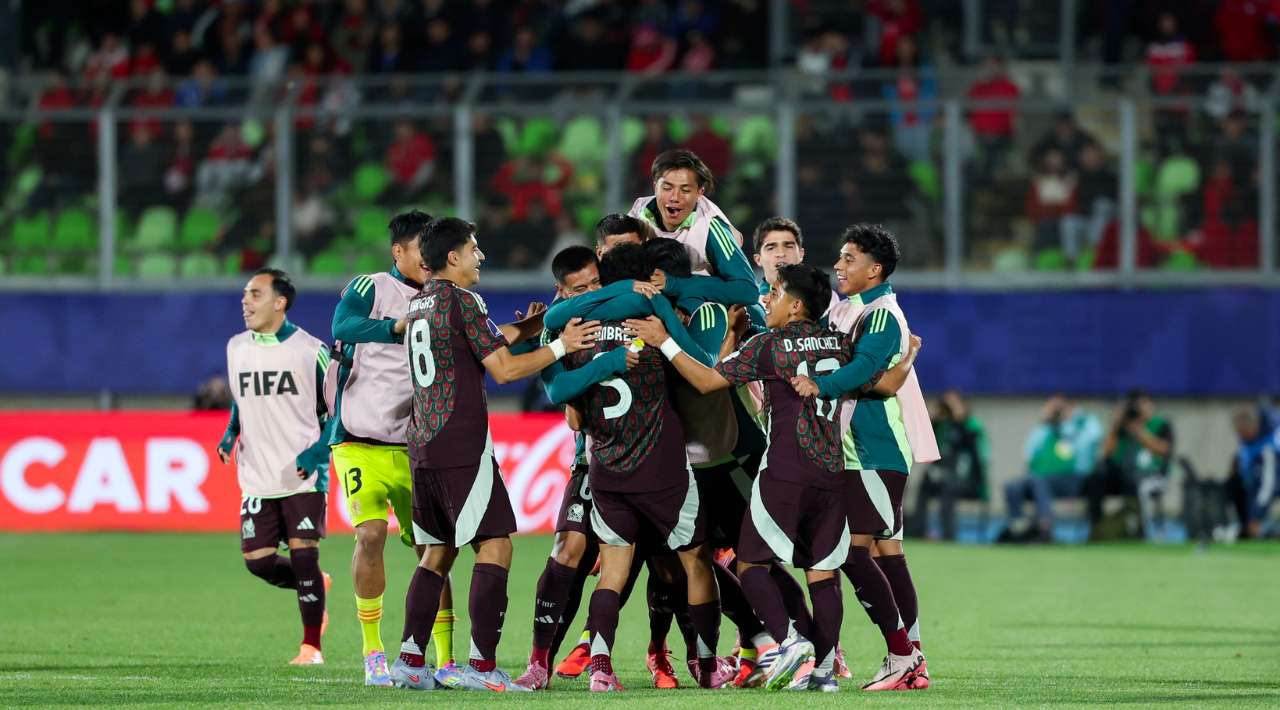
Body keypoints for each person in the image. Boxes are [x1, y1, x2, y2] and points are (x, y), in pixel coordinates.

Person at [630, 263, 863, 692]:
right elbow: (877, 381)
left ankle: (790, 643)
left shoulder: (770, 346)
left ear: (795, 306)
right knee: (823, 575)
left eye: (774, 293)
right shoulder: (844, 344)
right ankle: (825, 674)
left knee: (751, 564)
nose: (767, 300)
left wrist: (663, 340)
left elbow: (705, 381)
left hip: (785, 474)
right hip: (832, 475)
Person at [389, 217, 598, 692]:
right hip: (461, 444)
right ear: (453, 258)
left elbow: (479, 339)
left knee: (437, 553)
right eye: (474, 248)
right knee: (497, 545)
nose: (480, 256)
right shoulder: (464, 300)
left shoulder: (420, 304)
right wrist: (561, 345)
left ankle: (408, 660)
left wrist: (529, 326)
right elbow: (502, 371)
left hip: (422, 442)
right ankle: (483, 669)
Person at [553, 243, 731, 692]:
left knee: (612, 571)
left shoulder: (581, 327)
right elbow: (700, 365)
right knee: (695, 564)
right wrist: (665, 331)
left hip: (608, 467)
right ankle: (708, 666)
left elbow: (570, 407)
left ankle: (600, 667)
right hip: (663, 469)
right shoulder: (652, 312)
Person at [790, 225, 930, 690]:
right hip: (853, 452)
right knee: (877, 552)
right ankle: (909, 657)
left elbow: (866, 371)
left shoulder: (883, 315)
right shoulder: (852, 308)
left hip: (872, 450)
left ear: (876, 270)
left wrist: (820, 383)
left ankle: (902, 655)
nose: (840, 265)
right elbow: (880, 377)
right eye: (840, 256)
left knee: (852, 551)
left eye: (850, 259)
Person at [328, 210, 455, 687]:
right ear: (399, 251)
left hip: (416, 447)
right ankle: (373, 651)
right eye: (421, 248)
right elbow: (343, 324)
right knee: (371, 535)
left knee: (433, 549)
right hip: (359, 443)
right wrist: (394, 328)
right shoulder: (373, 287)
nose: (429, 258)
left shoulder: (446, 296)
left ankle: (443, 659)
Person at [513, 245, 637, 690]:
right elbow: (562, 399)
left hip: (646, 462)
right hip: (591, 461)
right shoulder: (558, 338)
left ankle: (631, 657)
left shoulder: (629, 322)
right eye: (578, 290)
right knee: (567, 548)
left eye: (595, 286)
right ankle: (538, 661)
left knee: (670, 565)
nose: (590, 296)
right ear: (561, 293)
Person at [217, 268, 334, 666]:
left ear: (279, 302)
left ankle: (311, 647)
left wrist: (317, 454)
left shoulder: (310, 350)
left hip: (302, 474)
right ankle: (318, 586)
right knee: (259, 562)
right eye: (245, 294)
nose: (245, 301)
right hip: (256, 474)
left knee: (304, 556)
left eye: (255, 294)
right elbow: (240, 401)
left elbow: (337, 411)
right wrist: (230, 434)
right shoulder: (236, 348)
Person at [627, 149, 758, 307]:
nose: (675, 197)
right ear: (655, 186)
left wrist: (676, 284)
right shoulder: (637, 215)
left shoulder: (711, 228)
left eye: (685, 190)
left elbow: (747, 290)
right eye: (667, 188)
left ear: (699, 192)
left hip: (700, 309)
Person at [1001, 394, 1102, 542]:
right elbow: (1028, 454)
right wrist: (1045, 423)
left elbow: (1087, 445)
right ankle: (1018, 529)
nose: (1057, 411)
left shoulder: (1085, 422)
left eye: (1060, 407)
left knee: (1039, 481)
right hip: (1040, 479)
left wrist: (1067, 422)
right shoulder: (1045, 428)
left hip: (1074, 479)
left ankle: (1045, 528)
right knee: (1012, 487)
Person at [1083, 389, 1174, 540]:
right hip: (1123, 476)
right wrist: (1115, 424)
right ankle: (1096, 529)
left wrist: (1139, 431)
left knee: (1136, 483)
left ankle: (1140, 531)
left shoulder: (1161, 424)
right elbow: (1106, 453)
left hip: (1151, 475)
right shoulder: (1122, 426)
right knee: (1095, 479)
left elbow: (1164, 450)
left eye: (1142, 404)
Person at [908, 391, 990, 541]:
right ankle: (919, 531)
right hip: (945, 476)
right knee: (925, 484)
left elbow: (975, 453)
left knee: (948, 489)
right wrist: (933, 420)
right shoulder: (943, 426)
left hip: (968, 480)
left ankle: (948, 535)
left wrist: (960, 420)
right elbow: (924, 443)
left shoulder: (971, 426)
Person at [1226, 406, 1279, 539]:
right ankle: (1245, 528)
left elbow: (1268, 486)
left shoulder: (1269, 447)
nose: (1241, 436)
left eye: (1243, 432)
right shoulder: (1247, 442)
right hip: (1253, 485)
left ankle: (1254, 527)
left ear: (1254, 427)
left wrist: (1256, 516)